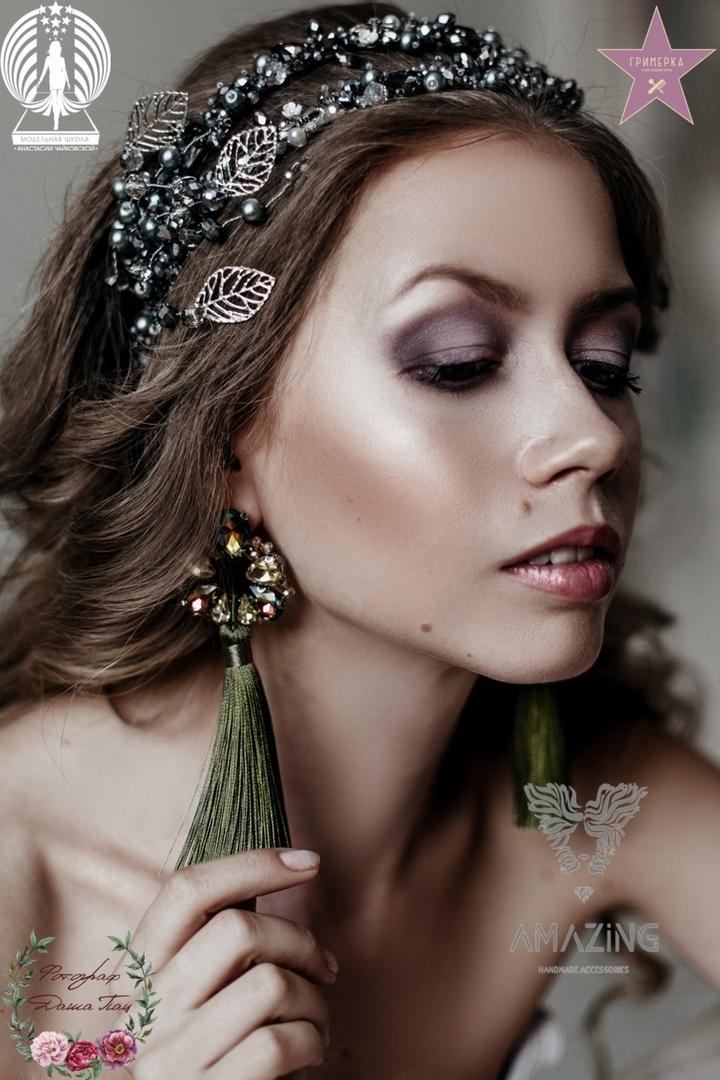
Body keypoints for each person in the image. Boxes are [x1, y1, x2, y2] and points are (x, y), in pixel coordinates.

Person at [0, 3, 718, 1078]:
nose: (593, 436)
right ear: (223, 439)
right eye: (460, 362)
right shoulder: (22, 863)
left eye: (606, 365)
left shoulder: (594, 796)